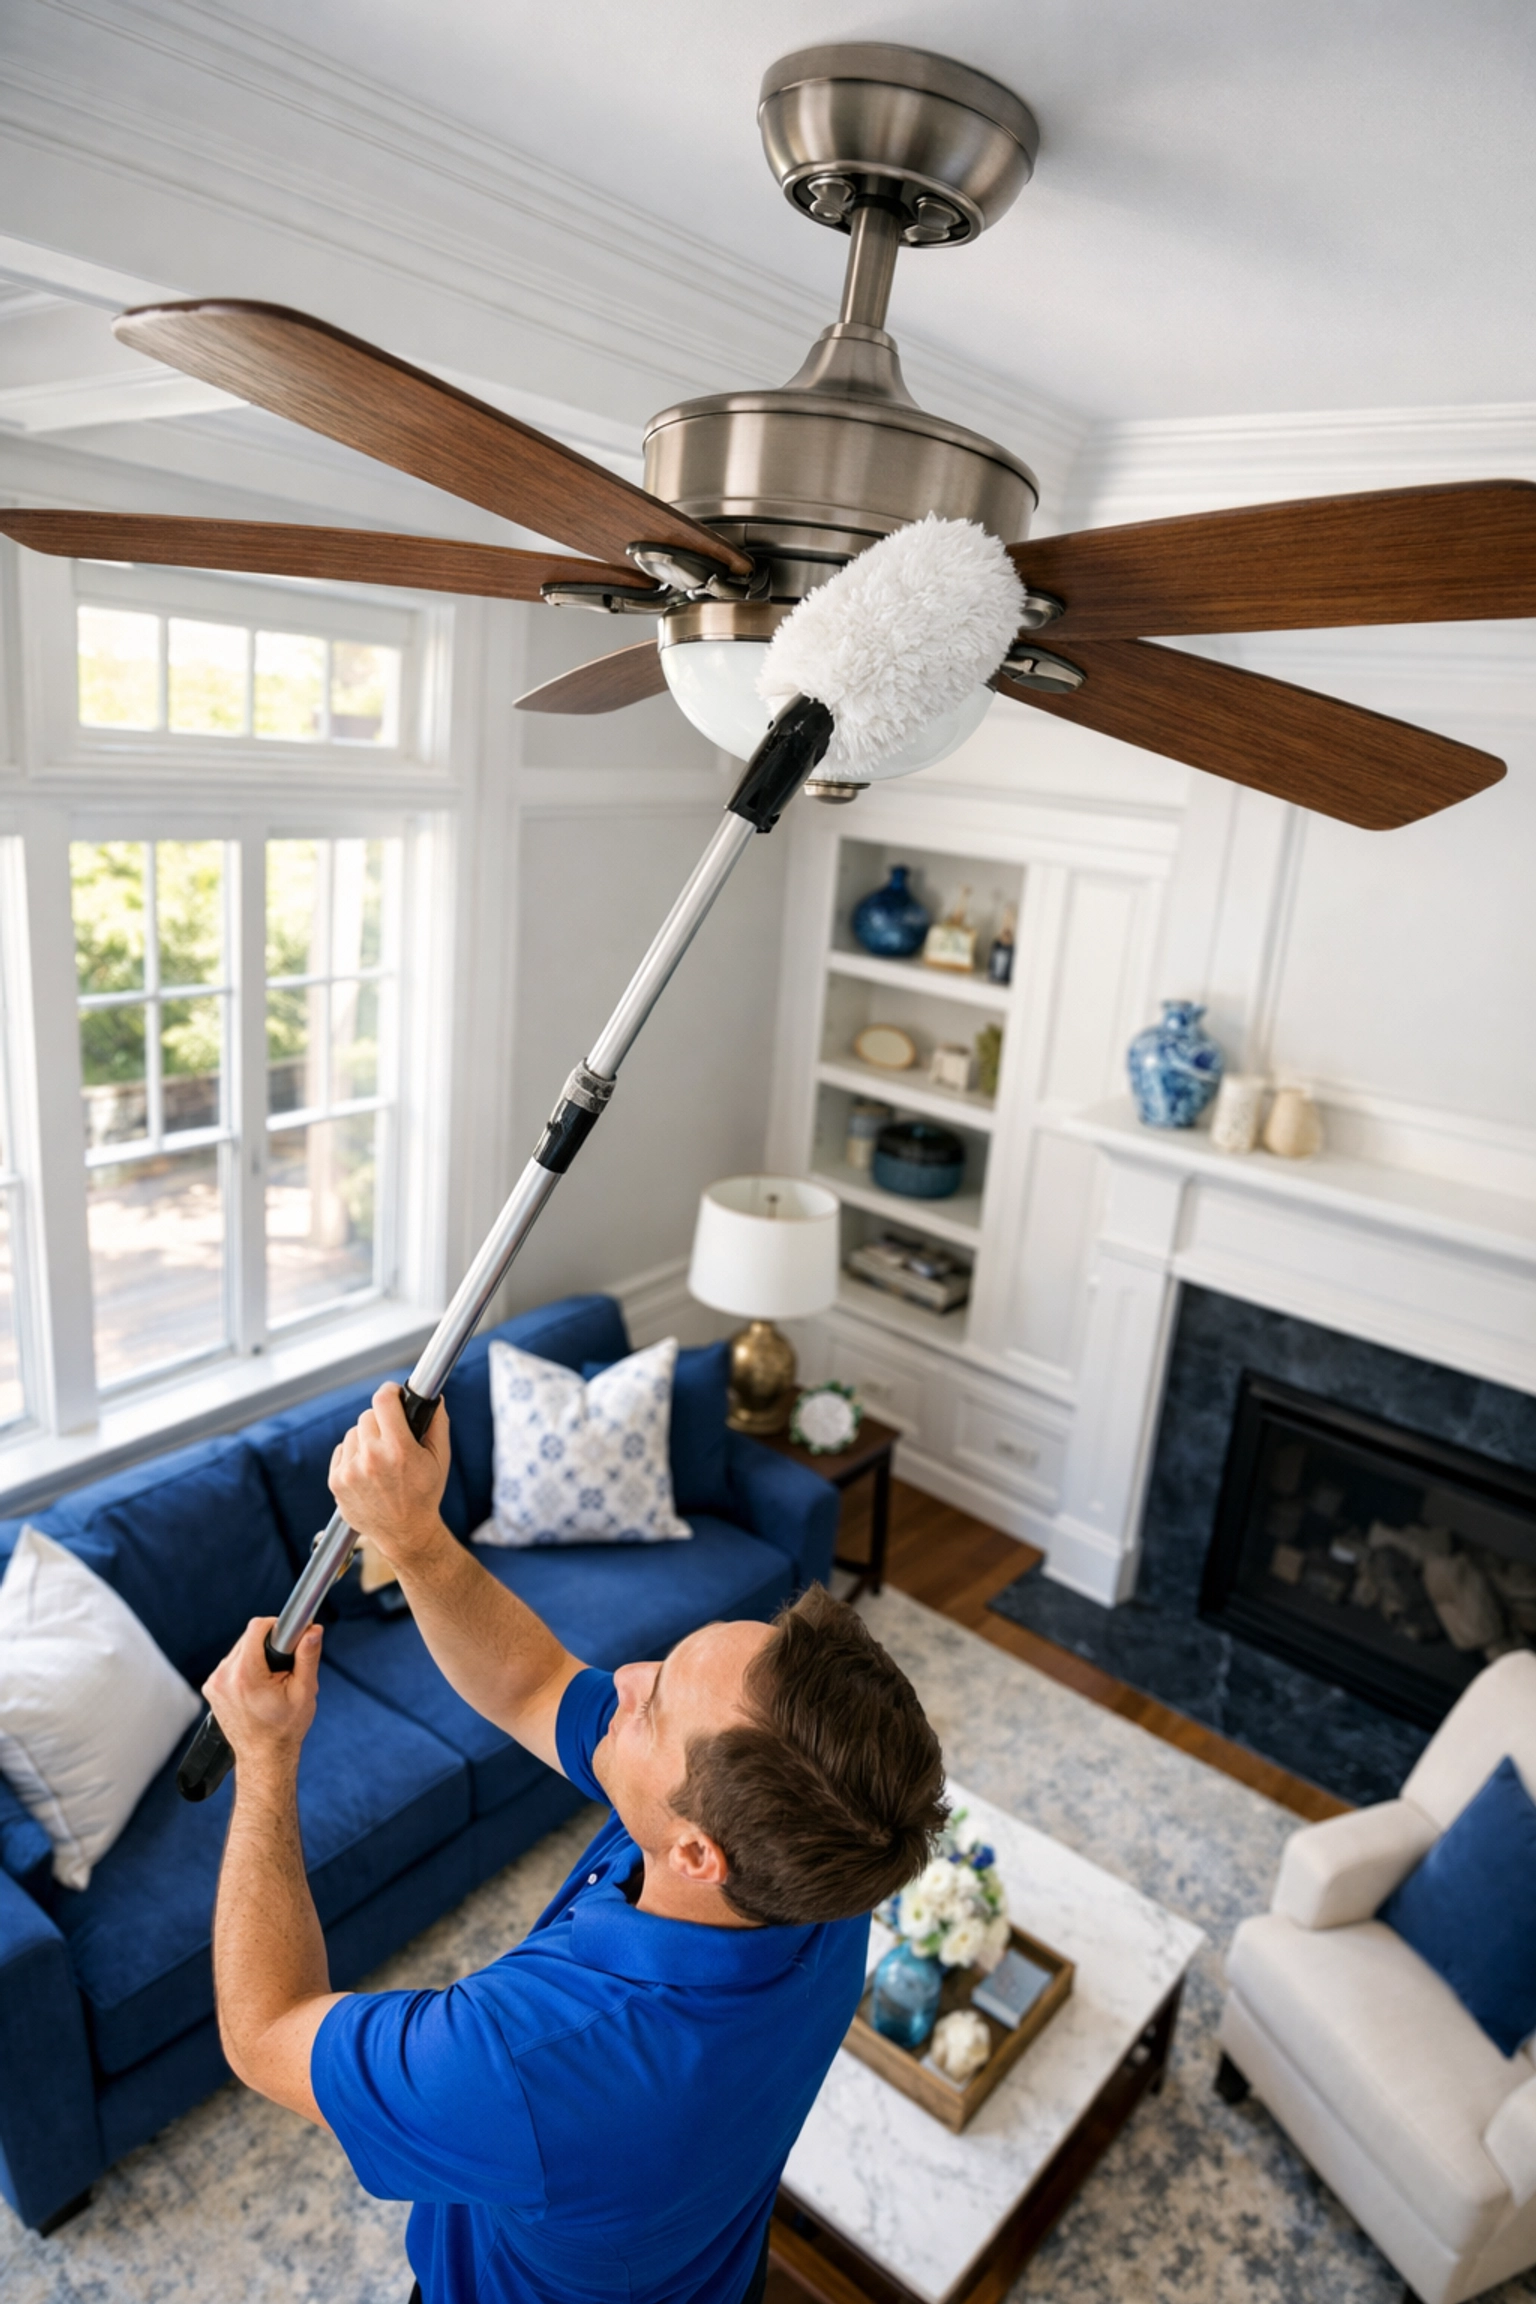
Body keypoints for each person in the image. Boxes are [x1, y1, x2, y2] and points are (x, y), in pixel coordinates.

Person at [203, 1380, 948, 2304]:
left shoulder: (519, 2065)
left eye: (654, 1706)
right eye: (665, 1664)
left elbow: (264, 2031)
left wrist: (265, 1760)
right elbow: (536, 1685)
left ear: (697, 1856)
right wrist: (413, 1536)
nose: (625, 1678)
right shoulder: (830, 1877)